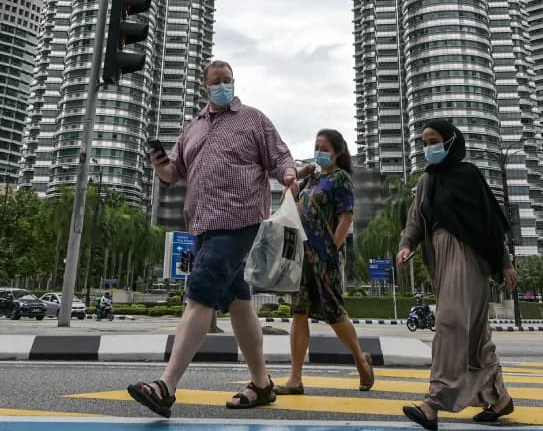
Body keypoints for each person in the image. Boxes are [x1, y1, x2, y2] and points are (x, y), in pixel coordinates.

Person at [127, 60, 298, 418]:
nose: (224, 86)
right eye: (217, 82)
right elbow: (174, 172)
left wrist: (290, 174)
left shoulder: (253, 119)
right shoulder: (191, 130)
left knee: (200, 292)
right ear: (205, 87)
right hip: (202, 224)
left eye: (229, 80)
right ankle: (262, 384)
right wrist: (161, 166)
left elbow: (279, 156)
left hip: (239, 220)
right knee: (238, 302)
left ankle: (166, 386)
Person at [395, 119, 518, 431]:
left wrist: (504, 262)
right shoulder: (427, 181)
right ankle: (498, 397)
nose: (428, 148)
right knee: (475, 336)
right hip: (440, 258)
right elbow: (416, 219)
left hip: (469, 257)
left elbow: (490, 222)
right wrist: (407, 244)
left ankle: (434, 402)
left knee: (449, 322)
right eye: (423, 143)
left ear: (450, 142)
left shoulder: (468, 175)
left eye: (433, 140)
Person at [280, 128, 375, 396]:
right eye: (316, 147)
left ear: (337, 152)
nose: (319, 152)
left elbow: (347, 217)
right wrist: (302, 171)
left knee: (333, 313)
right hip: (302, 255)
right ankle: (295, 378)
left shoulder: (341, 179)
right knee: (298, 312)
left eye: (324, 148)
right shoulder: (312, 180)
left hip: (326, 258)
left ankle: (360, 360)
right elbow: (288, 190)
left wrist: (333, 247)